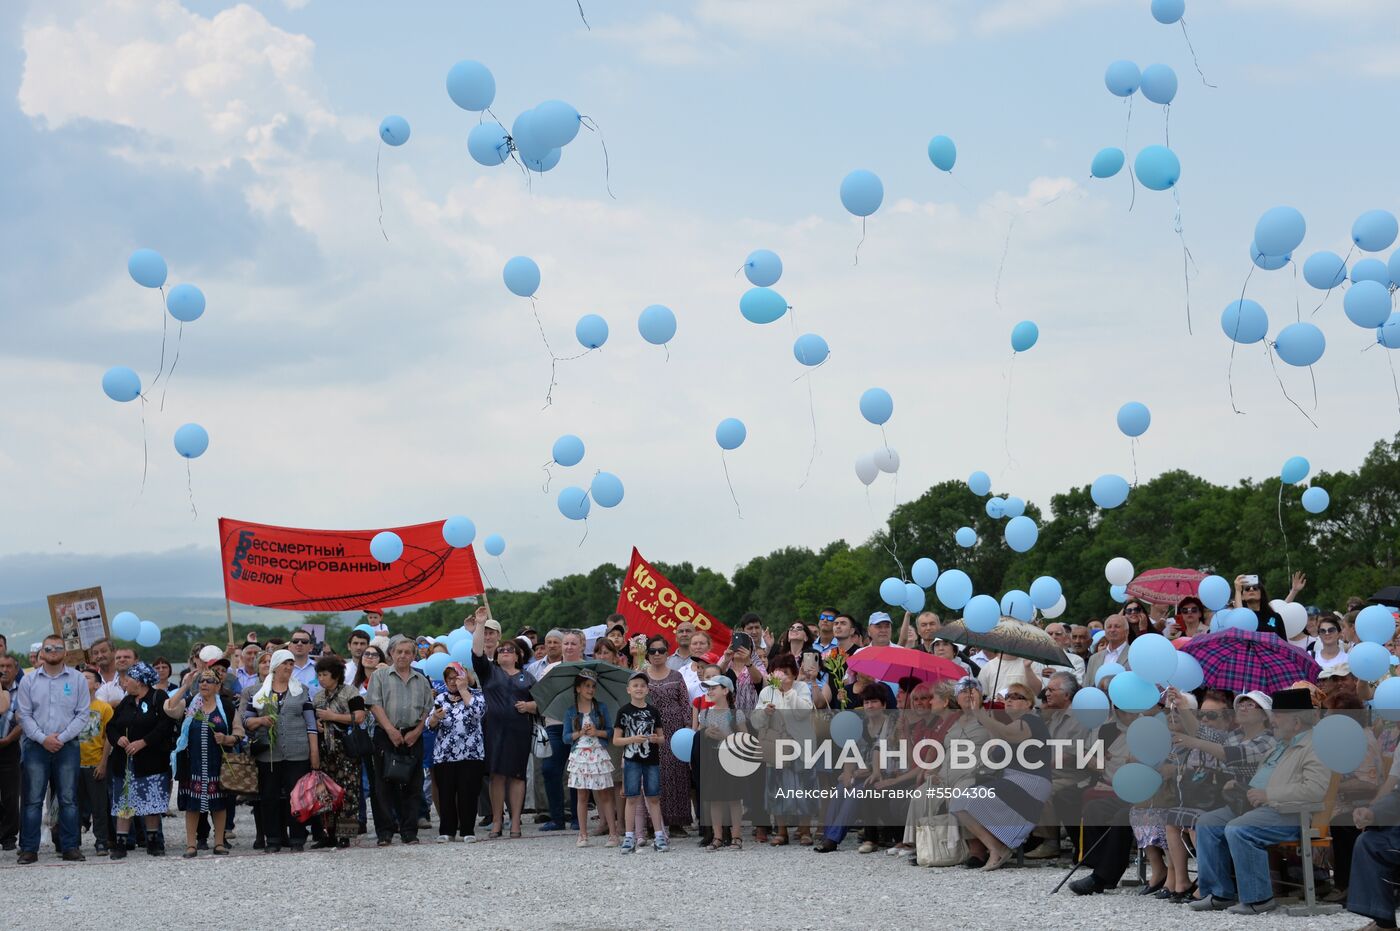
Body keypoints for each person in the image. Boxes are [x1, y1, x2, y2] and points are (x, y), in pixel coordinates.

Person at [1189, 688, 1330, 915]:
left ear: (1296, 721)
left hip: (1290, 812)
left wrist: (1269, 795)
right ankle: (1218, 893)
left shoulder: (1316, 747)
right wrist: (1241, 786)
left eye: (1278, 716)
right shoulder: (1281, 743)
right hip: (1257, 805)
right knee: (1207, 823)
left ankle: (1258, 898)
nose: (1273, 721)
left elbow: (1313, 790)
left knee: (1239, 829)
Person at [949, 679, 1053, 871]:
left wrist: (981, 715)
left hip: (1030, 781)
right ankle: (996, 848)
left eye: (1017, 697)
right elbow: (996, 751)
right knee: (960, 802)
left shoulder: (1031, 721)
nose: (1009, 700)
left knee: (966, 799)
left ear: (1029, 703)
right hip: (1012, 780)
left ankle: (997, 850)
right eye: (1007, 697)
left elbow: (1009, 734)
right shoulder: (1012, 725)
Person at [14, 635, 89, 864]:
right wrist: (43, 738)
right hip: (36, 746)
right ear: (41, 653)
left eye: (58, 648)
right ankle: (29, 848)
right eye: (49, 648)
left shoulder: (77, 679)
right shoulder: (29, 680)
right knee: (32, 799)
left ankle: (70, 847)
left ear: (65, 653)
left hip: (68, 746)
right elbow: (23, 715)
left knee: (68, 798)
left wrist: (62, 738)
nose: (53, 651)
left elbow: (83, 714)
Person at [241, 648, 320, 853]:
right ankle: (273, 838)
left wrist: (314, 752)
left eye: (291, 663)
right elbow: (247, 721)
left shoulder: (301, 690)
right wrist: (260, 720)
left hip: (298, 751)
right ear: (275, 666)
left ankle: (297, 837)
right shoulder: (259, 692)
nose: (288, 667)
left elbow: (311, 724)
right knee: (269, 797)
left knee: (297, 796)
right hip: (269, 754)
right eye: (284, 663)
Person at [163, 665, 238, 857]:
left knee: (219, 804)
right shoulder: (190, 703)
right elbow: (169, 708)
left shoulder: (227, 707)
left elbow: (239, 732)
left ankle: (219, 843)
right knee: (192, 805)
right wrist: (185, 686)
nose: (204, 684)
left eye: (209, 681)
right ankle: (191, 845)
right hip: (193, 763)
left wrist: (227, 739)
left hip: (218, 763)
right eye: (201, 681)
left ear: (218, 686)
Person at [366, 636, 433, 846]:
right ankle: (385, 832)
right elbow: (374, 704)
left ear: (414, 655)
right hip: (385, 733)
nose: (403, 655)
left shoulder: (421, 680)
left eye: (407, 652)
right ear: (391, 654)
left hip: (413, 735)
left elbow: (426, 709)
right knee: (383, 785)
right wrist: (390, 730)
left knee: (413, 785)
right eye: (399, 651)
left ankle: (409, 831)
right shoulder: (380, 676)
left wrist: (418, 730)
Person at [104, 661, 171, 858]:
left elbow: (164, 725)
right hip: (125, 762)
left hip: (151, 760)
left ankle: (153, 841)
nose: (125, 683)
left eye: (129, 679)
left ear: (141, 682)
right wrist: (118, 739)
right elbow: (111, 726)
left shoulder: (158, 697)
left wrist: (144, 742)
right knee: (124, 801)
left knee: (151, 801)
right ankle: (121, 843)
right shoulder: (126, 701)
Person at [473, 634, 535, 839]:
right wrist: (480, 626)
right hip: (493, 730)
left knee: (517, 775)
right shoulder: (489, 672)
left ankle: (516, 820)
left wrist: (530, 706)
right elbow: (476, 653)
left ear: (518, 656)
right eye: (501, 650)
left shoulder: (527, 678)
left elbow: (541, 703)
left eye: (509, 650)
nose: (504, 652)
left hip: (519, 731)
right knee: (496, 775)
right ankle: (497, 820)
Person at [752, 654, 815, 846]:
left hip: (800, 745)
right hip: (776, 746)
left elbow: (804, 711)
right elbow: (755, 721)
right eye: (777, 673)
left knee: (804, 787)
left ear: (794, 674)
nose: (782, 677)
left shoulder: (801, 688)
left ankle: (804, 830)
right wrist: (765, 712)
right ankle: (781, 831)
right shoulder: (766, 692)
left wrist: (788, 691)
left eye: (786, 673)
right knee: (776, 786)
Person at [635, 633, 694, 837]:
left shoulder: (677, 676)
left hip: (675, 731)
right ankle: (653, 823)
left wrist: (688, 729)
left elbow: (685, 704)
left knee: (677, 775)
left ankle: (677, 822)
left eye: (661, 650)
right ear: (648, 654)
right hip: (649, 731)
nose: (657, 654)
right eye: (653, 651)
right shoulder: (641, 675)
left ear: (667, 654)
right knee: (653, 775)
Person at [427, 662, 486, 843]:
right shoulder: (440, 698)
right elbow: (429, 725)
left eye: (457, 677)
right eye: (449, 679)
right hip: (445, 754)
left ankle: (468, 829)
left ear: (465, 676)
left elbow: (478, 712)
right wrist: (435, 718)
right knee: (446, 793)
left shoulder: (476, 695)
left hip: (471, 753)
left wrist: (464, 690)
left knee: (468, 792)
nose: (453, 682)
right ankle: (447, 830)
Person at [311, 655, 366, 849]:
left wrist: (332, 716)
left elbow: (359, 717)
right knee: (325, 793)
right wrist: (317, 724)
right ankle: (329, 834)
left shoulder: (350, 692)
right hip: (325, 749)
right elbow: (311, 721)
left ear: (335, 675)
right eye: (319, 674)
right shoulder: (317, 697)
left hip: (346, 749)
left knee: (349, 792)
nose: (321, 678)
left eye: (325, 674)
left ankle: (346, 835)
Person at [614, 670, 667, 854]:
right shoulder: (623, 711)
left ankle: (659, 836)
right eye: (635, 685)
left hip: (651, 759)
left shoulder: (653, 711)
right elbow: (616, 740)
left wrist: (654, 739)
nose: (639, 688)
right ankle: (630, 836)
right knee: (631, 798)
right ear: (628, 689)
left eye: (643, 686)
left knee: (653, 797)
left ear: (647, 689)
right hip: (631, 760)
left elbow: (662, 738)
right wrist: (632, 739)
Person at [564, 670, 617, 848]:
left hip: (598, 753)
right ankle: (583, 834)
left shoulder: (600, 707)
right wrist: (580, 733)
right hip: (580, 755)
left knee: (605, 793)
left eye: (593, 686)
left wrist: (596, 732)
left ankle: (613, 834)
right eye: (587, 686)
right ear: (578, 688)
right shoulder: (571, 711)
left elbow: (610, 731)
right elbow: (565, 737)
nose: (590, 689)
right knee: (582, 795)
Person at [695, 675, 746, 850]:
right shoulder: (705, 714)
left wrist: (726, 737)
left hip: (731, 759)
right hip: (712, 760)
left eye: (713, 688)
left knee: (733, 799)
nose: (709, 691)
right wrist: (706, 733)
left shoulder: (736, 714)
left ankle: (736, 836)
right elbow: (699, 736)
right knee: (714, 799)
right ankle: (717, 837)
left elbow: (744, 739)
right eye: (708, 688)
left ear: (725, 691)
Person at [76, 668, 113, 854]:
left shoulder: (103, 708)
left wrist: (103, 763)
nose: (82, 680)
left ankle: (101, 841)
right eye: (79, 677)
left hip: (95, 763)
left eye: (87, 677)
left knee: (99, 806)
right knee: (72, 805)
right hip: (73, 765)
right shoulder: (70, 707)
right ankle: (72, 842)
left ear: (97, 685)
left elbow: (109, 737)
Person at [0, 655, 22, 851]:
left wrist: (8, 739)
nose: (4, 670)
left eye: (8, 666)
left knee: (10, 795)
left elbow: (23, 719)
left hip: (9, 746)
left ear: (16, 670)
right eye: (1, 666)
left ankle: (8, 837)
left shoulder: (23, 691)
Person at [1233, 574, 1285, 639]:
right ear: (1242, 597)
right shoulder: (1244, 617)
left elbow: (1285, 644)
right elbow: (1239, 620)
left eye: (1255, 588)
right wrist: (1237, 590)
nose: (1251, 589)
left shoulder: (1275, 617)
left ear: (1261, 593)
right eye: (1247, 589)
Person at [1085, 614, 1132, 684]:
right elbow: (1087, 685)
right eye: (1109, 627)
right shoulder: (1093, 658)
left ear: (1127, 631)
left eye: (1117, 626)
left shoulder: (1134, 655)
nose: (1112, 630)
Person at [88, 638, 123, 705]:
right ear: (92, 657)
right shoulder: (91, 680)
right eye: (95, 653)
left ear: (114, 652)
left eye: (103, 651)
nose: (100, 656)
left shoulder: (127, 674)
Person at [287, 629, 320, 696]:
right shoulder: (281, 668)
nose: (299, 644)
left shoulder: (320, 668)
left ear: (311, 647)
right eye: (295, 641)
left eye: (304, 641)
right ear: (289, 646)